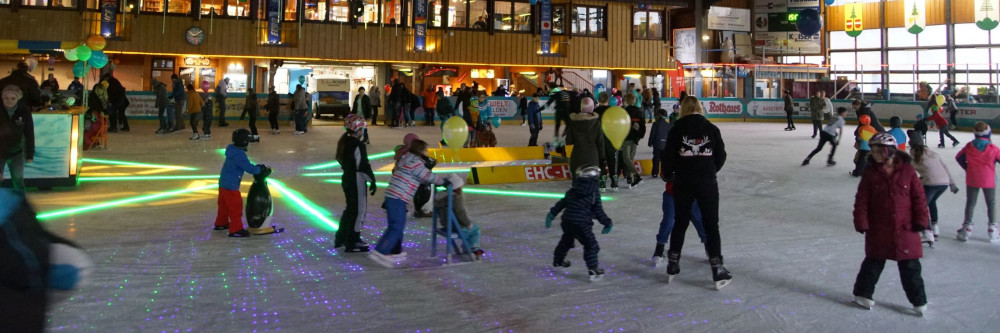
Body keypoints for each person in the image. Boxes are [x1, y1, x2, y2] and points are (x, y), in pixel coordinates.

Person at [851, 133, 929, 316]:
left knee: (910, 267)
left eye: (879, 150)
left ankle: (918, 300)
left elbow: (919, 198)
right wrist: (861, 220)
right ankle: (862, 294)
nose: (875, 154)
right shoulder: (871, 172)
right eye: (873, 150)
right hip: (879, 227)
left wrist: (921, 220)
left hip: (905, 228)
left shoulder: (908, 171)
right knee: (873, 263)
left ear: (889, 151)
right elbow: (862, 199)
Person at [662, 96, 731, 289]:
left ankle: (673, 262)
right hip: (706, 183)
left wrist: (669, 176)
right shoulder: (711, 128)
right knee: (711, 225)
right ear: (700, 108)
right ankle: (717, 267)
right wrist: (709, 171)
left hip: (683, 182)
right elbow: (721, 156)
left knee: (680, 223)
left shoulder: (676, 129)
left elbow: (668, 158)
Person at [369, 139, 449, 267]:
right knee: (396, 227)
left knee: (397, 225)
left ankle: (395, 251)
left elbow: (420, 178)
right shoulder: (415, 163)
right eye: (425, 151)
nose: (427, 153)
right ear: (420, 151)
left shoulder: (406, 158)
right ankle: (381, 251)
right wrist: (444, 181)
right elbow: (428, 176)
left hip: (393, 197)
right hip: (398, 198)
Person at [546, 166, 613, 281]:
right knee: (591, 245)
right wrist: (607, 222)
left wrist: (551, 214)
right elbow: (598, 211)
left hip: (567, 221)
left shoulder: (573, 189)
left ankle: (558, 261)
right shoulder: (593, 193)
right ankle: (593, 269)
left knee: (566, 240)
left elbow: (561, 203)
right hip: (581, 223)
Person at [214, 129, 269, 237]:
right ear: (244, 142)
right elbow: (249, 168)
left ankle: (221, 223)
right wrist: (259, 169)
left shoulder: (232, 150)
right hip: (231, 186)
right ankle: (235, 229)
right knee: (235, 206)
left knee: (223, 205)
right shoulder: (239, 155)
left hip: (223, 183)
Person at [335, 115, 377, 252]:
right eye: (362, 128)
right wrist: (372, 180)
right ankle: (353, 240)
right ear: (358, 129)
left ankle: (341, 237)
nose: (363, 131)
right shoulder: (357, 145)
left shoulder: (345, 141)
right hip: (356, 179)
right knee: (359, 210)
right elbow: (362, 165)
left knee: (350, 209)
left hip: (347, 178)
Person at [908, 129, 958, 243]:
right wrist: (952, 183)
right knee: (931, 203)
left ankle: (928, 232)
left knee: (920, 207)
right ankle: (935, 228)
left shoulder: (913, 155)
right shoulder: (933, 153)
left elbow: (910, 172)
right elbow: (944, 167)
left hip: (931, 184)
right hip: (944, 183)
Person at [955, 122, 1000, 242]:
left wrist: (967, 168)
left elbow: (959, 157)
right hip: (989, 179)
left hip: (972, 177)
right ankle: (993, 228)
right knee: (991, 203)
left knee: (971, 202)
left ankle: (967, 227)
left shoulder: (969, 146)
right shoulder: (993, 148)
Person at [433, 183, 484, 257]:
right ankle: (471, 248)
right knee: (475, 229)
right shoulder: (455, 198)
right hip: (456, 225)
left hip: (446, 224)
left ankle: (467, 246)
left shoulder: (440, 197)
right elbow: (460, 214)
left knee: (469, 230)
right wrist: (468, 223)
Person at [0, 85, 34, 193]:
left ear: (18, 98)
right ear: (2, 98)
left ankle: (20, 205)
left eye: (13, 98)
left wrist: (30, 154)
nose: (9, 101)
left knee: (18, 180)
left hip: (16, 152)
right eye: (6, 98)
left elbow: (29, 133)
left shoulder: (24, 111)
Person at [564, 98, 604, 176]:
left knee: (577, 183)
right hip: (592, 158)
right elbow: (600, 143)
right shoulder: (596, 123)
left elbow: (568, 141)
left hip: (577, 158)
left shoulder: (573, 122)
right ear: (592, 107)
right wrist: (602, 157)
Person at [594, 93, 620, 192]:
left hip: (599, 140)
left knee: (601, 160)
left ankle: (602, 180)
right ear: (608, 101)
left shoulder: (595, 112)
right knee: (611, 160)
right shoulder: (612, 111)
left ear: (598, 100)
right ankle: (614, 181)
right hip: (610, 139)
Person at [622, 93, 646, 188]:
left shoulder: (625, 112)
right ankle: (630, 177)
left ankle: (636, 175)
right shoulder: (639, 111)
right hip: (635, 138)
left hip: (627, 138)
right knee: (630, 158)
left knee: (626, 158)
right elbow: (643, 126)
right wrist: (639, 136)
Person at [648, 109, 670, 177]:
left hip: (657, 144)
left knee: (656, 159)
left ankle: (655, 173)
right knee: (664, 159)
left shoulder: (655, 124)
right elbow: (670, 136)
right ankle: (663, 173)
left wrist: (650, 142)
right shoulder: (668, 125)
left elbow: (652, 134)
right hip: (665, 145)